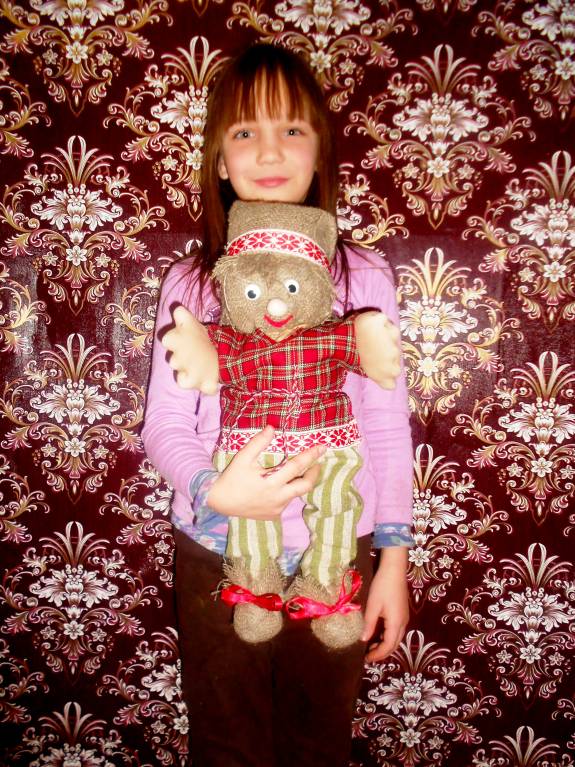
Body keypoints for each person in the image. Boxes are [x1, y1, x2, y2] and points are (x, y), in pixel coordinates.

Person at [142, 42, 413, 767]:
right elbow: (164, 423)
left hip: (337, 546)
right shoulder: (193, 284)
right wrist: (213, 488)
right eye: (244, 131)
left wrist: (392, 559)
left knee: (317, 741)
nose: (269, 150)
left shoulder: (362, 278)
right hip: (216, 547)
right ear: (219, 161)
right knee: (226, 741)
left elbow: (386, 428)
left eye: (292, 127)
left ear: (320, 149)